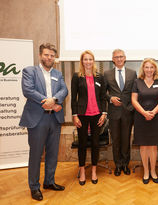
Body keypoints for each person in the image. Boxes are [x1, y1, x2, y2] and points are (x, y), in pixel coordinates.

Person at [19, 43, 68, 201]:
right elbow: (28, 90)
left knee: (53, 153)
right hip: (37, 119)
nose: (49, 58)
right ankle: (34, 187)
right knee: (36, 154)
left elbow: (64, 90)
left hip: (54, 118)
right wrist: (47, 101)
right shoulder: (30, 71)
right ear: (40, 55)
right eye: (46, 55)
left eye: (52, 55)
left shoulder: (58, 74)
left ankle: (49, 181)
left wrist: (54, 100)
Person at [71, 50, 107, 185]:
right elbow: (73, 98)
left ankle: (93, 171)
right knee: (82, 144)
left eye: (90, 59)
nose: (88, 62)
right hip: (82, 115)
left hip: (97, 115)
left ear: (93, 61)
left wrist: (104, 113)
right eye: (85, 59)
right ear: (82, 62)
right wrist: (74, 115)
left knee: (95, 144)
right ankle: (81, 171)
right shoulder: (77, 76)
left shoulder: (100, 77)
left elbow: (103, 97)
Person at [131, 58, 158, 184]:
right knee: (143, 145)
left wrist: (153, 112)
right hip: (141, 117)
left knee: (153, 145)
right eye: (147, 67)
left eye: (151, 67)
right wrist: (144, 113)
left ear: (155, 69)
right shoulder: (137, 82)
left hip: (156, 118)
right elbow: (134, 100)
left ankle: (153, 171)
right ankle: (146, 171)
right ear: (143, 68)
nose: (149, 70)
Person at [104, 49, 137, 176]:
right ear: (113, 59)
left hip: (128, 112)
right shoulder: (107, 74)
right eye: (116, 57)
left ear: (125, 58)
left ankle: (125, 164)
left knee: (126, 139)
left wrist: (132, 107)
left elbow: (135, 91)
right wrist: (110, 99)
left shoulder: (132, 73)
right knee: (116, 140)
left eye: (121, 56)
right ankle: (118, 165)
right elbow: (103, 93)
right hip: (114, 112)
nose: (119, 59)